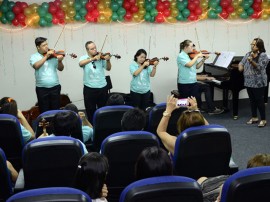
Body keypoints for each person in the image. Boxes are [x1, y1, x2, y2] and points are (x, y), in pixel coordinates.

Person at [238, 38, 269, 127]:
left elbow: (260, 67)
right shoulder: (248, 54)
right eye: (251, 44)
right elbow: (241, 62)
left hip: (258, 83)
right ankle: (254, 117)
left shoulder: (263, 56)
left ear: (259, 46)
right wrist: (240, 67)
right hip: (248, 82)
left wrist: (251, 61)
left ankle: (263, 119)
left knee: (259, 101)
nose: (252, 46)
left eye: (254, 45)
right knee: (252, 101)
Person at [79, 41, 112, 124]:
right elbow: (80, 64)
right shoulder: (83, 58)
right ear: (87, 50)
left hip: (102, 87)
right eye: (92, 49)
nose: (95, 50)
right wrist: (93, 59)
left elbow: (108, 68)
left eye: (95, 48)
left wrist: (108, 61)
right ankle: (92, 128)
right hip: (89, 89)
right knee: (90, 111)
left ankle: (103, 127)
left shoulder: (101, 57)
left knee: (103, 110)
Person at [30, 37, 64, 113]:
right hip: (42, 89)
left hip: (55, 87)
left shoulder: (53, 55)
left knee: (56, 110)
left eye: (47, 44)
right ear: (38, 47)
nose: (46, 47)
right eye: (44, 45)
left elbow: (61, 68)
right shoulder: (34, 56)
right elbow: (36, 66)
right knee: (44, 111)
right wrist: (46, 56)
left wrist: (60, 61)